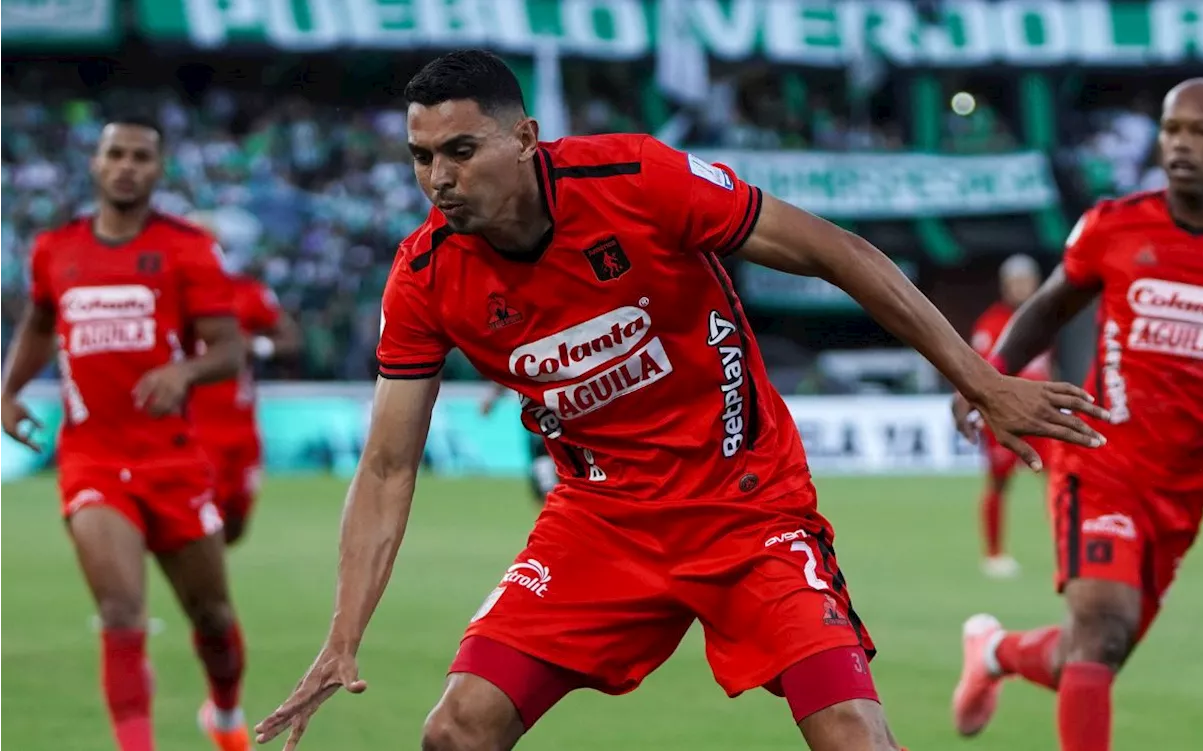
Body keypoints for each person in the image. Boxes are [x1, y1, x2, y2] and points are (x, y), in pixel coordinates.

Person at [253, 51, 1105, 751]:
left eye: (462, 151)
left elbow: (838, 252)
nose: (438, 178)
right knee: (457, 731)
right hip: (601, 519)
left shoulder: (636, 179)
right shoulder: (425, 275)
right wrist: (343, 632)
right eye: (421, 157)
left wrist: (980, 378)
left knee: (853, 734)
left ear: (527, 139)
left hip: (747, 506)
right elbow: (389, 464)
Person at [949, 78, 1203, 751]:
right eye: (1171, 129)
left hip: (1182, 481)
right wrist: (984, 377)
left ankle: (995, 652)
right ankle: (998, 653)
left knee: (1094, 652)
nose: (1182, 144)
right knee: (1100, 628)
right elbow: (1047, 306)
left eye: (1201, 130)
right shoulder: (1115, 225)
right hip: (1100, 455)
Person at [0, 118, 254, 751]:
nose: (127, 166)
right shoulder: (55, 248)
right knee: (119, 612)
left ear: (157, 169)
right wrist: (6, 391)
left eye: (141, 156)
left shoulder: (188, 248)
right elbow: (37, 321)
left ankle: (223, 716)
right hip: (91, 459)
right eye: (116, 153)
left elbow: (230, 349)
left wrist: (184, 371)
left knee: (213, 618)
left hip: (171, 461)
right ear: (95, 163)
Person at [186, 211, 301, 546]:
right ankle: (205, 590)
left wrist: (257, 347)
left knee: (236, 523)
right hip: (195, 425)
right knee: (203, 521)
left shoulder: (246, 292)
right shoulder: (170, 295)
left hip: (241, 425)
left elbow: (290, 339)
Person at [967, 254, 1052, 578]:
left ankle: (1066, 547)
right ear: (1005, 286)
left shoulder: (1044, 319)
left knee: (1060, 480)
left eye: (1027, 281)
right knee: (999, 482)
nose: (1022, 287)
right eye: (1016, 282)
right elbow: (980, 370)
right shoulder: (991, 324)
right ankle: (994, 554)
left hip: (1041, 415)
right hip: (1004, 416)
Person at [479, 382, 557, 505]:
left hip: (556, 425)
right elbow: (507, 373)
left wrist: (491, 399)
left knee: (547, 475)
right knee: (543, 473)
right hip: (540, 427)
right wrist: (492, 398)